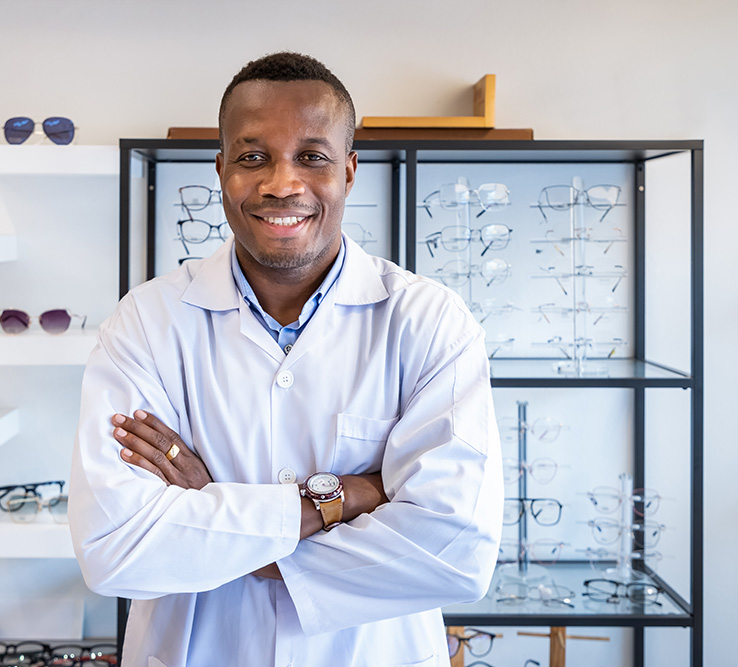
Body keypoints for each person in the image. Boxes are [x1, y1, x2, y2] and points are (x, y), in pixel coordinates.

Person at [69, 52, 503, 667]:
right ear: (221, 171)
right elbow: (114, 548)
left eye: (312, 156)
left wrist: (212, 511)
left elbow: (455, 553)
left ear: (349, 171)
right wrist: (340, 501)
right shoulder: (147, 323)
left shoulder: (429, 321)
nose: (281, 183)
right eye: (252, 157)